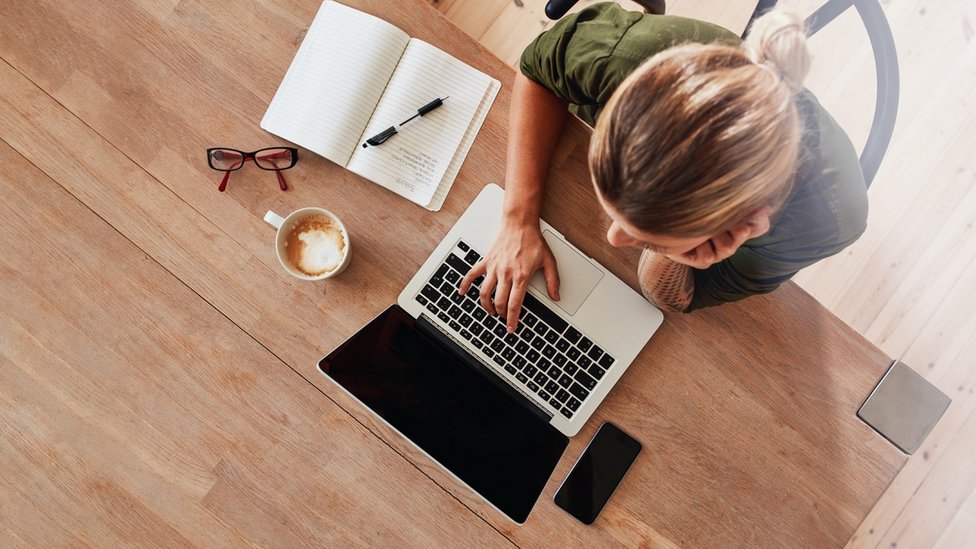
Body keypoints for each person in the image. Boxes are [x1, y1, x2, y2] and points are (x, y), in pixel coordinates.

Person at [459, 2, 868, 333]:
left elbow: (671, 298)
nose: (614, 237)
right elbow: (539, 68)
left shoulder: (822, 225)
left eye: (647, 238)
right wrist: (517, 219)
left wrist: (680, 258)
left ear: (747, 226)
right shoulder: (630, 58)